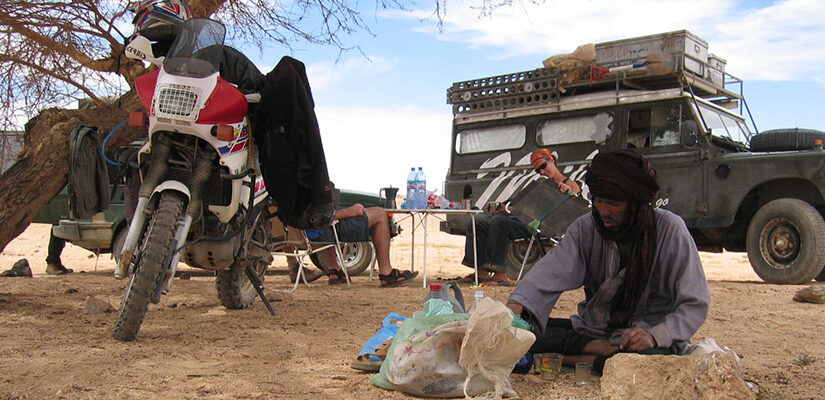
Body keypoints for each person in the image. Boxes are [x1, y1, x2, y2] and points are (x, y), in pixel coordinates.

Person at [506, 150, 710, 374]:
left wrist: (654, 335)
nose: (603, 211)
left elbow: (694, 303)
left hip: (647, 338)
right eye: (599, 201)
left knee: (647, 363)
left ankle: (574, 358)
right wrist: (515, 310)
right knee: (526, 333)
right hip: (595, 329)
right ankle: (596, 350)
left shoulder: (670, 230)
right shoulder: (587, 227)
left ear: (636, 203)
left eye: (613, 203)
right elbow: (549, 272)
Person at [459, 148, 581, 286]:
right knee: (477, 222)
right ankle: (481, 271)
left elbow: (575, 204)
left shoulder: (569, 184)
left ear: (552, 160)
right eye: (538, 170)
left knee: (499, 222)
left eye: (543, 166)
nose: (542, 172)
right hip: (521, 219)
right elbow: (518, 204)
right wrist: (505, 208)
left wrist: (568, 193)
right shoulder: (540, 184)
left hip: (540, 226)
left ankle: (501, 273)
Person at [308, 204, 418, 287]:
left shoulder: (294, 184)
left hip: (312, 233)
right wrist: (348, 212)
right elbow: (315, 216)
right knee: (379, 214)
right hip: (323, 231)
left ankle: (335, 270)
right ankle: (387, 273)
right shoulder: (313, 180)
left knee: (328, 224)